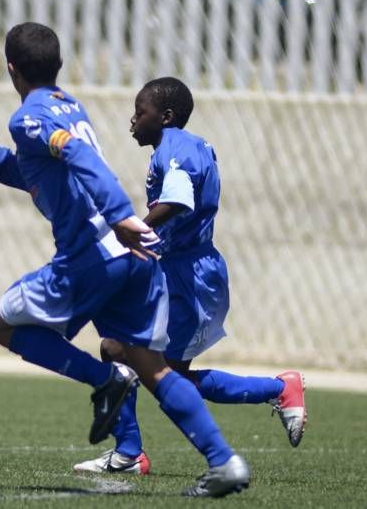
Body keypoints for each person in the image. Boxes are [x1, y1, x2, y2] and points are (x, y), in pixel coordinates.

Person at [0, 23, 249, 497]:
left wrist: (119, 216)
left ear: (10, 67)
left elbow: (79, 158)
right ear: (57, 66)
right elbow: (45, 172)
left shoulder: (28, 117)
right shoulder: (71, 106)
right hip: (134, 257)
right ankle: (224, 462)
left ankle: (104, 379)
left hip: (93, 254)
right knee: (152, 366)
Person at [73, 77, 307, 475]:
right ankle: (130, 452)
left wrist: (134, 233)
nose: (132, 120)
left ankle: (278, 389)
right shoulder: (181, 147)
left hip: (191, 280)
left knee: (153, 368)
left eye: (140, 113)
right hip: (174, 270)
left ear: (165, 117)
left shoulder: (176, 149)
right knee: (124, 352)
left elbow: (178, 200)